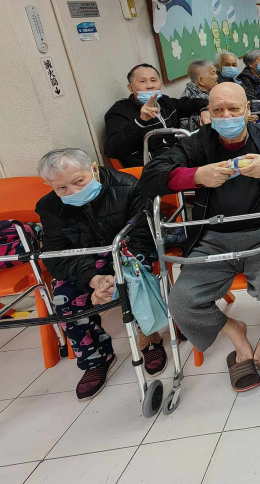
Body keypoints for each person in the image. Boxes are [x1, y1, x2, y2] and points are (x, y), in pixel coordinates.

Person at [140, 82, 260, 392]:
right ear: (208, 113)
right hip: (212, 237)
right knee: (181, 302)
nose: (226, 116)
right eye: (218, 110)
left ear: (247, 110)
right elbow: (150, 177)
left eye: (234, 109)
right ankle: (235, 330)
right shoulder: (198, 144)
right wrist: (195, 176)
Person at [37, 148, 166, 400]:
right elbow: (57, 254)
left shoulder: (128, 187)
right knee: (64, 298)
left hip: (127, 252)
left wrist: (117, 273)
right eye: (61, 188)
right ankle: (96, 357)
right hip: (84, 263)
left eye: (79, 181)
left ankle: (149, 337)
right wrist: (93, 279)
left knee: (133, 280)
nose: (72, 192)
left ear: (94, 169)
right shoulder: (49, 207)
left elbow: (144, 237)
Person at [104, 63, 208, 168]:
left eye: (153, 80)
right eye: (142, 81)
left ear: (161, 85)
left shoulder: (164, 102)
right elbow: (113, 150)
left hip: (179, 157)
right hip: (152, 169)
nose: (150, 86)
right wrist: (141, 121)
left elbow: (193, 103)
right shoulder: (119, 112)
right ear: (131, 88)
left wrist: (204, 110)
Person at [179, 59, 217, 130]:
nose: (216, 76)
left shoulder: (211, 90)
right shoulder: (191, 99)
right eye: (213, 74)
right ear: (201, 80)